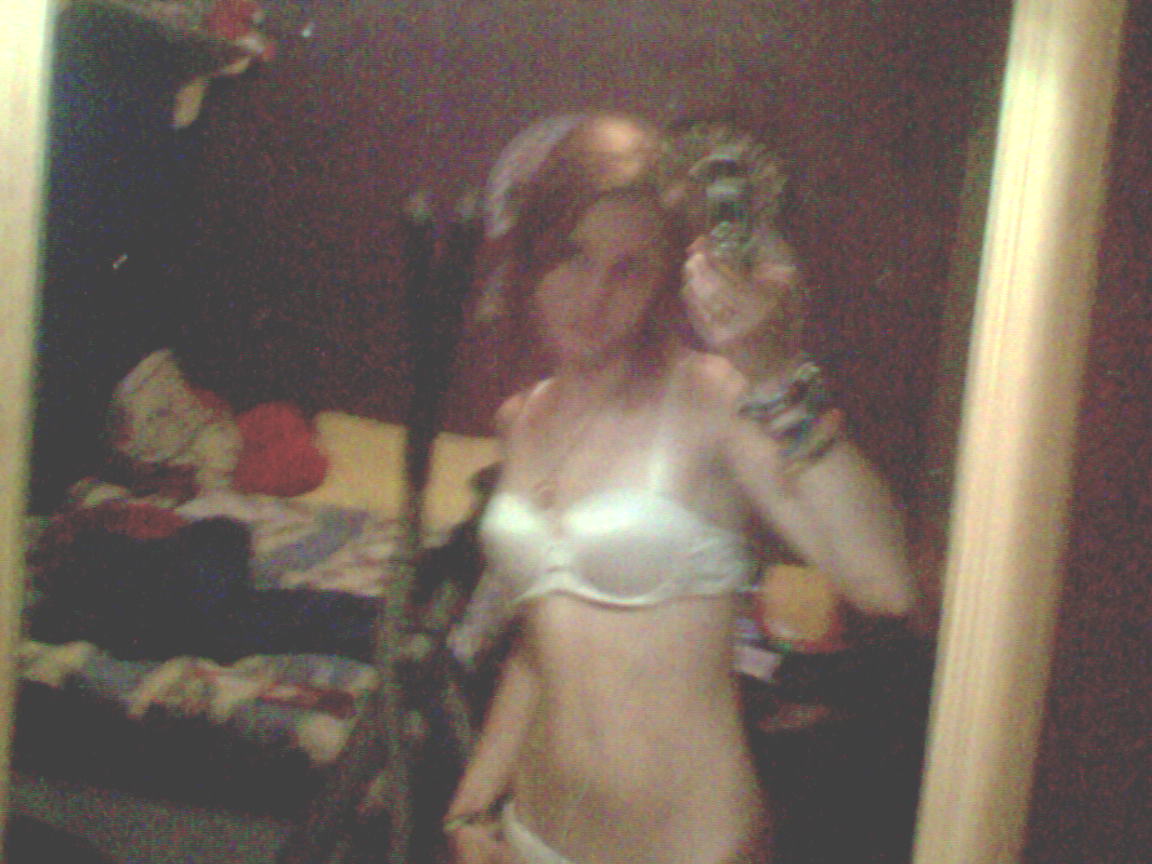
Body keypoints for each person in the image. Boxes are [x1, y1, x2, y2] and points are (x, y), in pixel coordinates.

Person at [443, 114, 918, 864]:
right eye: (571, 255)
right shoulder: (520, 420)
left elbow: (885, 584)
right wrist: (473, 804)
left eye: (629, 269)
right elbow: (540, 642)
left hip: (689, 846)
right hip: (530, 832)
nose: (593, 294)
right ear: (533, 254)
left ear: (664, 280)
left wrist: (776, 371)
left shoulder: (712, 400)